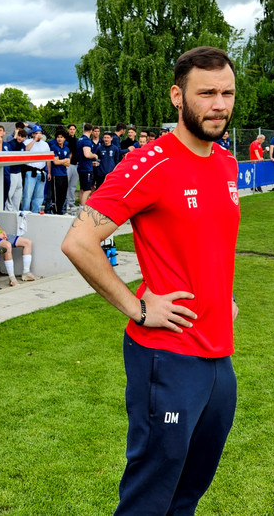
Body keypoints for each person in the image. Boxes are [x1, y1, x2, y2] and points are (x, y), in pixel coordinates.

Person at [61, 46, 240, 516]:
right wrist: (139, 307)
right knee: (149, 494)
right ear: (177, 96)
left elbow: (211, 242)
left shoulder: (225, 163)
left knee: (188, 492)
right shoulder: (150, 163)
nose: (219, 104)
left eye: (227, 93)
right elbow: (79, 241)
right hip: (168, 356)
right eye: (207, 94)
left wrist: (228, 296)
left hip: (220, 355)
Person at [21, 125, 50, 213]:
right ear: (33, 134)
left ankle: (35, 212)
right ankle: (25, 212)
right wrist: (34, 140)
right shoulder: (27, 142)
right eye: (36, 133)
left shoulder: (45, 144)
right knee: (27, 194)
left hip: (41, 171)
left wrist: (49, 172)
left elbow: (48, 159)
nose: (38, 135)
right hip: (31, 171)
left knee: (39, 195)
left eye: (40, 133)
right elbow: (26, 150)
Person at [48, 130, 71, 214]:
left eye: (61, 137)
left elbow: (68, 164)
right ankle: (55, 211)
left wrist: (62, 161)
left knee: (63, 194)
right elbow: (55, 162)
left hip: (64, 174)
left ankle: (60, 210)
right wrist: (64, 160)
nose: (59, 139)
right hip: (56, 174)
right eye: (58, 137)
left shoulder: (66, 149)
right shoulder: (54, 147)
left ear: (64, 138)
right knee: (56, 195)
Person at [77, 123, 99, 205]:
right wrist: (94, 155)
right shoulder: (87, 141)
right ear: (91, 131)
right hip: (86, 168)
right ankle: (83, 209)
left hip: (81, 166)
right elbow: (87, 154)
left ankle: (80, 208)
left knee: (82, 189)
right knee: (87, 190)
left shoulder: (80, 140)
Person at [5, 128, 27, 211]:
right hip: (11, 172)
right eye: (19, 135)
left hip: (19, 172)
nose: (20, 138)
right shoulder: (11, 144)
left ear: (25, 138)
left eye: (22, 137)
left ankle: (16, 211)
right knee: (10, 193)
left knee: (18, 192)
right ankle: (8, 210)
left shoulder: (23, 146)